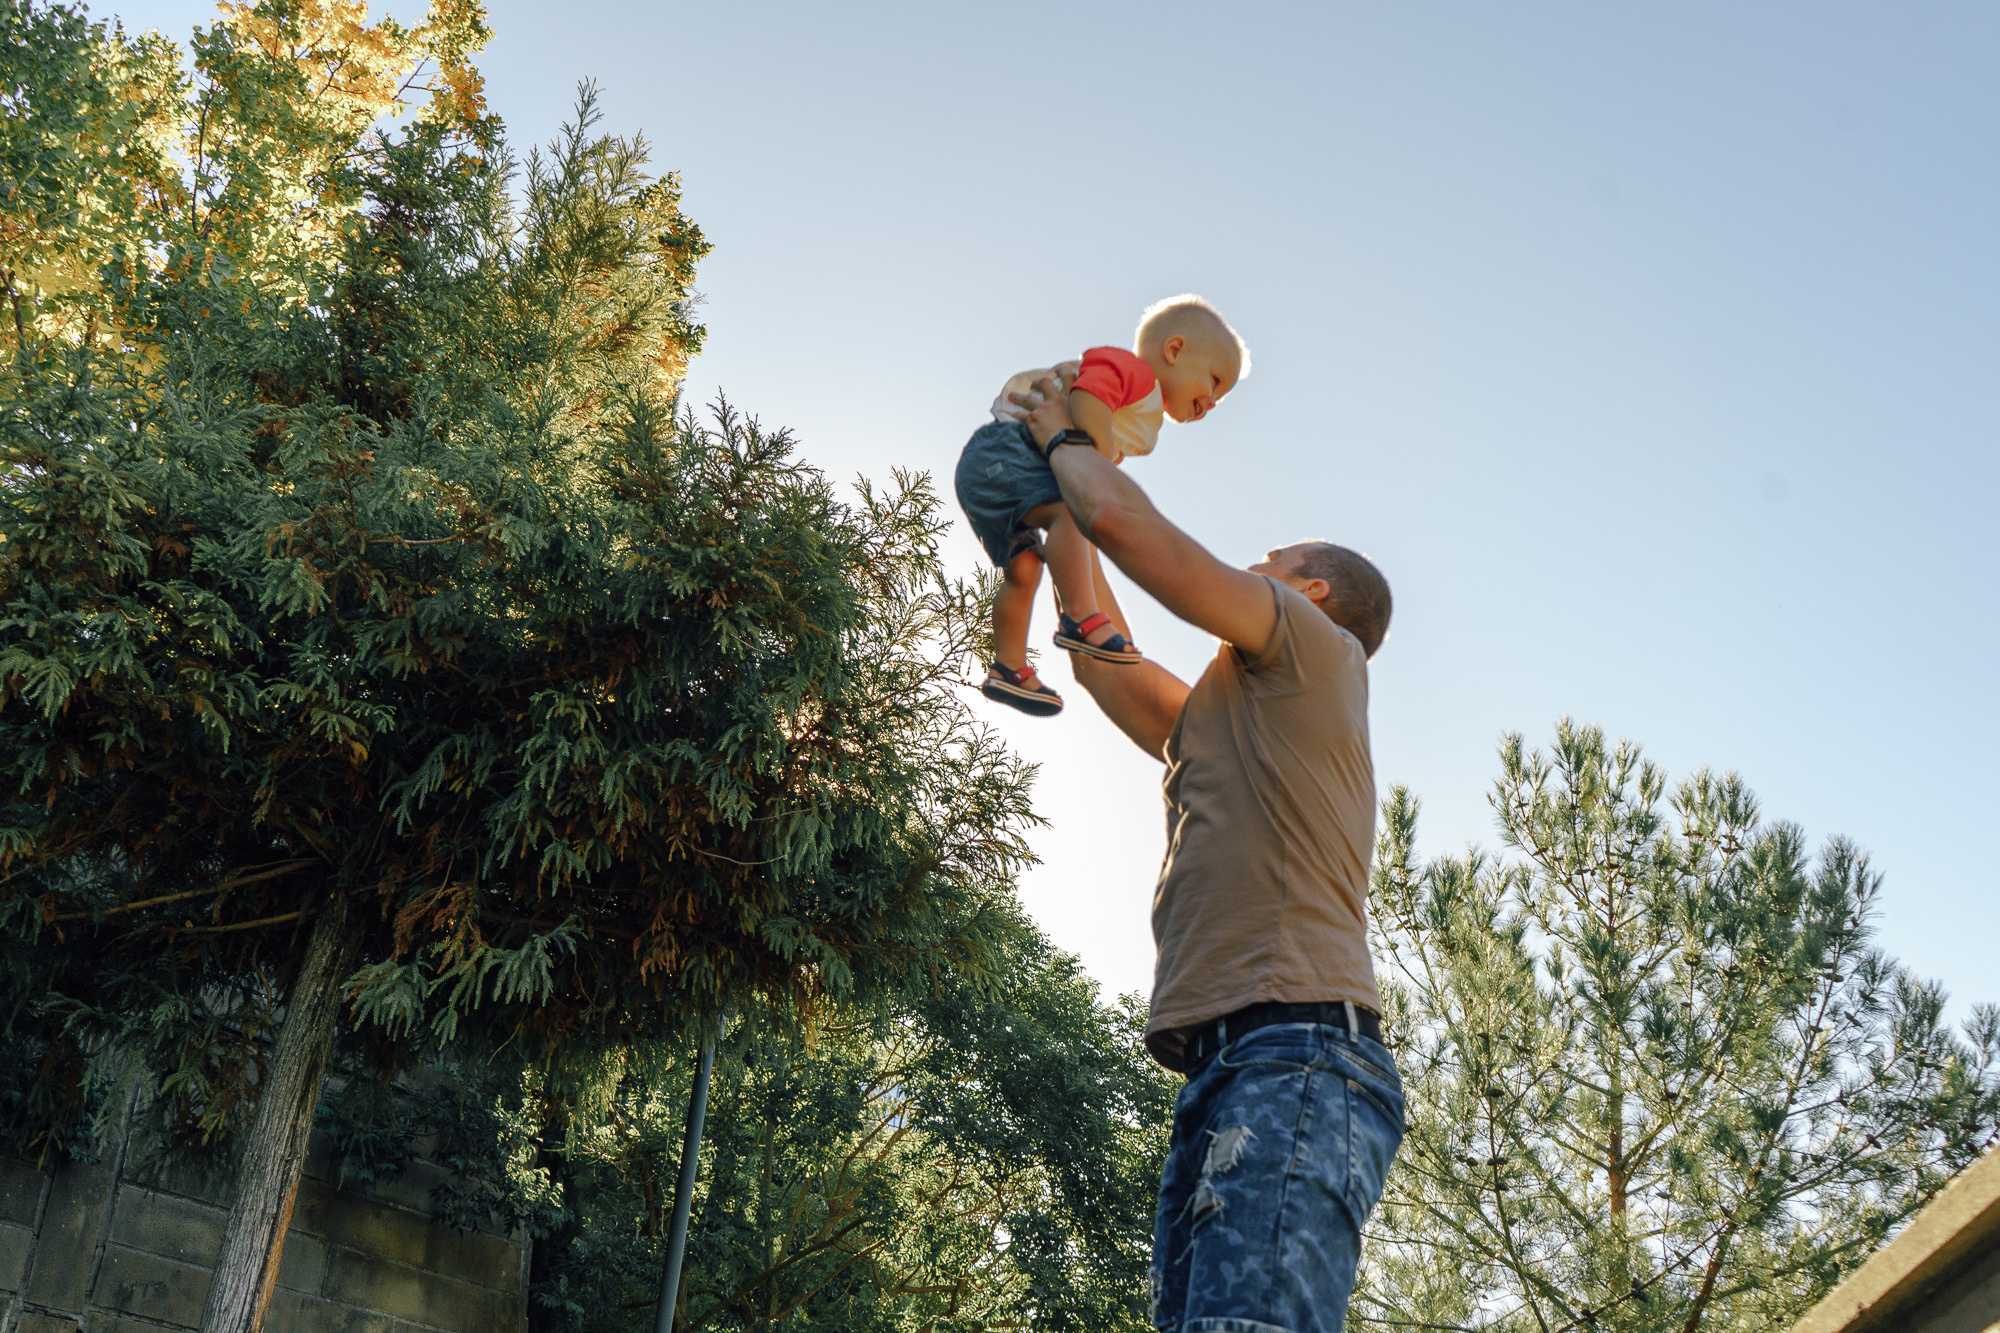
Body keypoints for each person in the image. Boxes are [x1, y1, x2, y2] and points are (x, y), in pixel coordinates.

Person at [1009, 373, 1402, 1333]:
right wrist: (1050, 507)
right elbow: (1100, 652)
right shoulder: (1226, 716)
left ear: (1307, 592)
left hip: (1299, 1054)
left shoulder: (1316, 647)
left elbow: (1143, 540)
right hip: (1236, 1063)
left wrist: (1066, 434)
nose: (1246, 569)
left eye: (1264, 561)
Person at [953, 296, 1248, 716]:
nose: (1213, 401)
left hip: (988, 473)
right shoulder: (1135, 374)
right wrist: (1097, 458)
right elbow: (1090, 394)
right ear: (1175, 350)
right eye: (1215, 381)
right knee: (1075, 512)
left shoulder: (1141, 412)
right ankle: (1081, 618)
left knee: (1024, 569)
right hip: (1008, 449)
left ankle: (1008, 667)